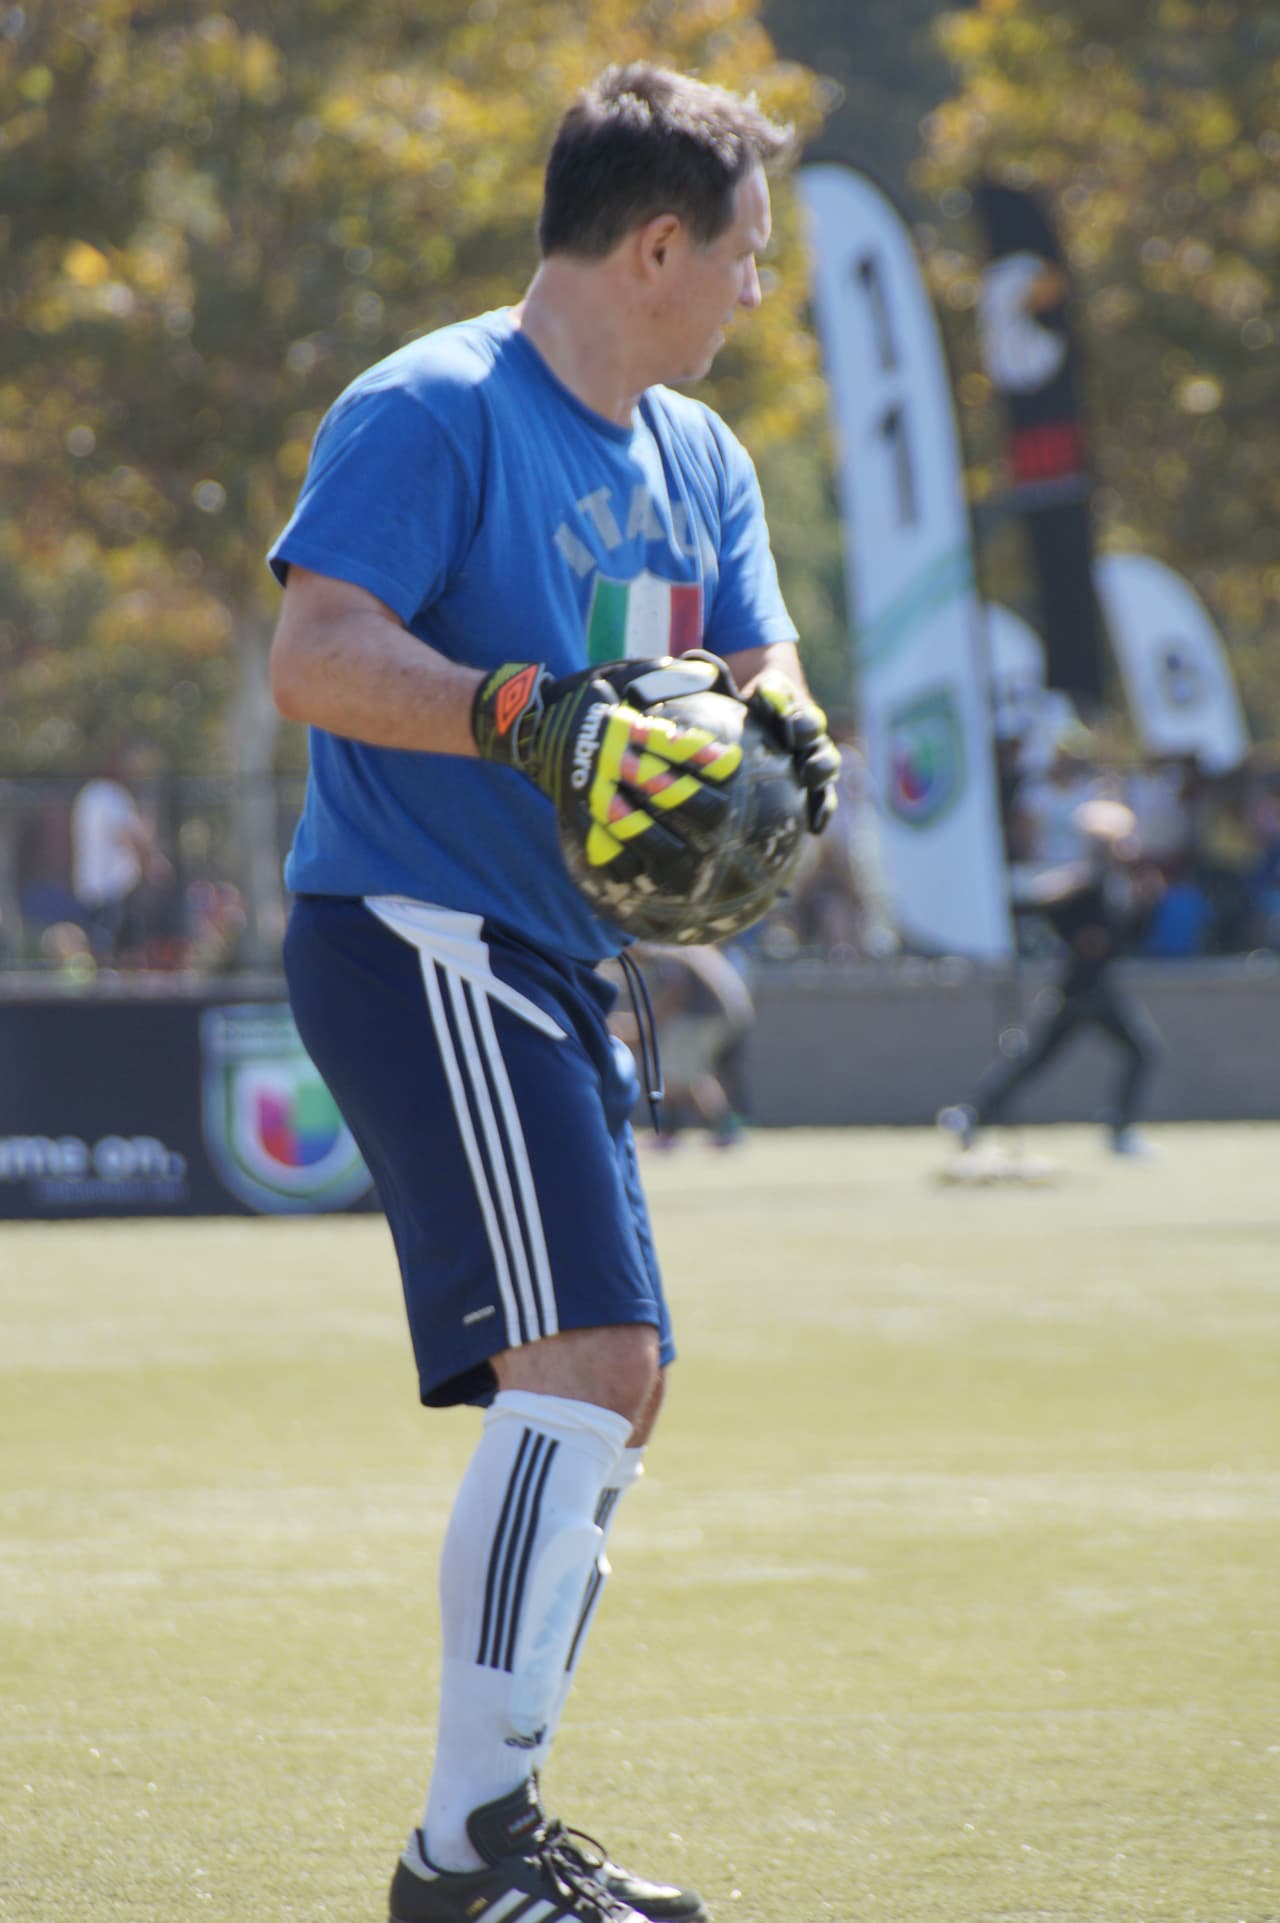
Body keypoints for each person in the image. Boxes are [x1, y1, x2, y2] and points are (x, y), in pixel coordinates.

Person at [266, 64, 839, 1923]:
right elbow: (319, 653)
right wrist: (517, 709)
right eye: (746, 255)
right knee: (589, 1364)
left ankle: (489, 1834)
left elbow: (766, 665)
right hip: (417, 928)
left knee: (617, 1382)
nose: (758, 290)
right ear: (658, 242)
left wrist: (792, 751)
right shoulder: (431, 408)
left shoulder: (702, 460)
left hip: (561, 961)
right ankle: (470, 1855)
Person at [939, 799, 1165, 1159]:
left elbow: (1124, 936)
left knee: (1042, 1059)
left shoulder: (1113, 883)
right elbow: (1045, 906)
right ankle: (1119, 1130)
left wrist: (1145, 905)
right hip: (1084, 989)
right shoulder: (1085, 879)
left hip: (1093, 987)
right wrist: (1077, 936)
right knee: (1136, 1051)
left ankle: (974, 1114)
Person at [624, 942, 755, 1148]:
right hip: (726, 1014)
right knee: (691, 1074)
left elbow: (676, 992)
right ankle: (725, 1128)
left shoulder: (666, 954)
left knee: (673, 1072)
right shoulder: (677, 948)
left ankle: (669, 1133)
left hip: (704, 1014)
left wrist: (645, 1027)